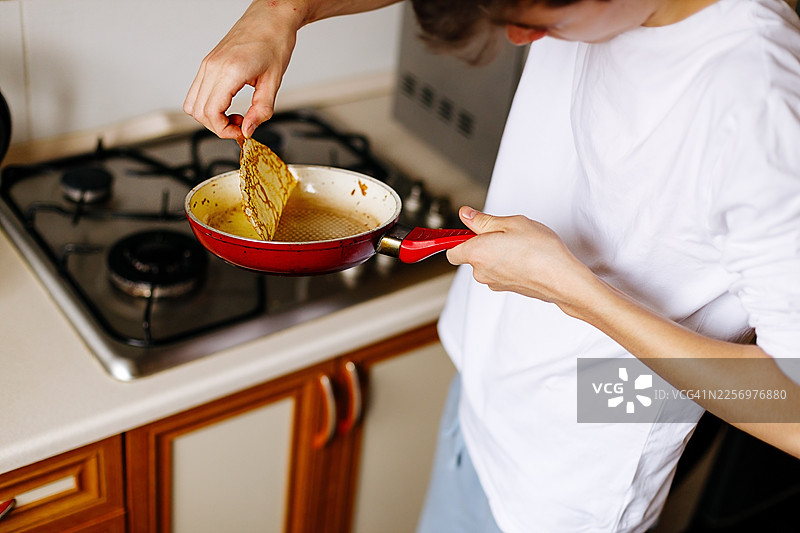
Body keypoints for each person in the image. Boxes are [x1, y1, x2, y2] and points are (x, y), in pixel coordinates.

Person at [185, 0, 800, 531]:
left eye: (536, 19)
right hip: (483, 391)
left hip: (561, 487)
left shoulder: (763, 106)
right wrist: (278, 15)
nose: (517, 40)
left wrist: (575, 293)